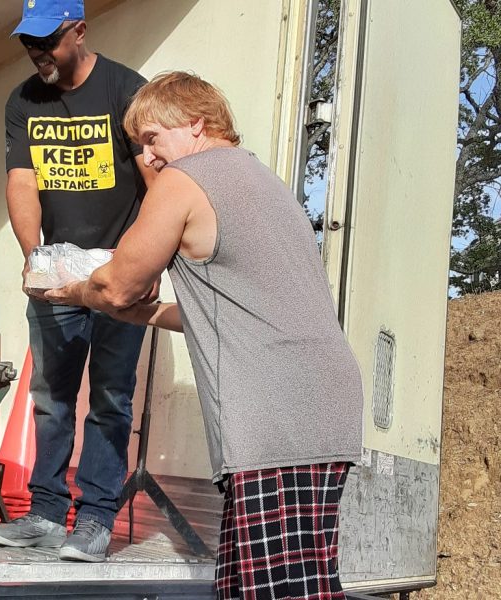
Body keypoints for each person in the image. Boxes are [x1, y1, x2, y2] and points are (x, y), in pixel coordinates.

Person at [45, 71, 364, 600]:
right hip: (318, 404)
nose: (146, 157)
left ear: (195, 123)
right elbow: (225, 313)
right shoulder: (263, 182)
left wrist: (73, 290)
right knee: (263, 584)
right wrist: (136, 315)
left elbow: (119, 284)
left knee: (276, 592)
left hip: (277, 415)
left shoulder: (186, 179)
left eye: (151, 139)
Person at [0, 0, 157, 563]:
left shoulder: (126, 90)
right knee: (51, 397)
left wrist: (149, 263)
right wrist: (33, 257)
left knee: (110, 396)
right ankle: (45, 513)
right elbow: (22, 181)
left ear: (79, 32)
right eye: (28, 43)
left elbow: (159, 183)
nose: (37, 53)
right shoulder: (23, 100)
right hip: (57, 270)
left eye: (48, 40)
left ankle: (97, 519)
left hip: (118, 268)